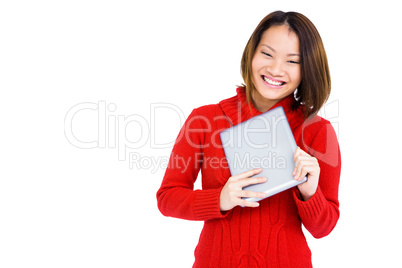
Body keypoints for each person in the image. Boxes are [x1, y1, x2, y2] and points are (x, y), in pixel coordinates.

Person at [157, 10, 341, 268]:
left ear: (307, 69)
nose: (276, 69)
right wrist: (220, 198)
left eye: (292, 61)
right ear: (251, 53)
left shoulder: (317, 130)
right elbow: (167, 199)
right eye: (267, 54)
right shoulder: (203, 120)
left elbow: (324, 227)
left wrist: (310, 192)